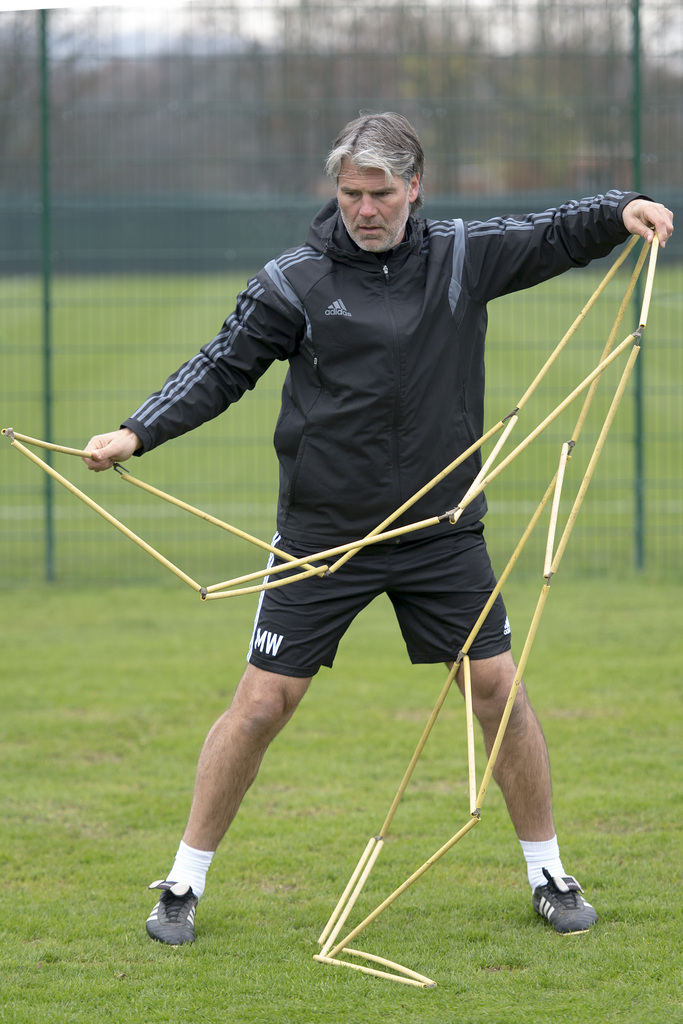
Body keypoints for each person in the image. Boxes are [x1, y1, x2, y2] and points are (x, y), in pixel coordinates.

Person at [84, 112, 674, 946]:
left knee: (497, 689)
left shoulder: (461, 258)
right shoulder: (292, 280)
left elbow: (547, 233)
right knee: (260, 703)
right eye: (350, 193)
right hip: (325, 535)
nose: (364, 208)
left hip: (441, 531)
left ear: (414, 188)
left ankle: (547, 871)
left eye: (381, 193)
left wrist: (624, 207)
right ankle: (182, 883)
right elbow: (223, 367)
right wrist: (136, 430)